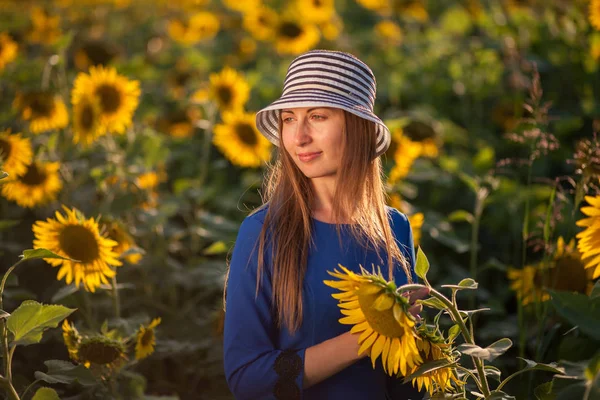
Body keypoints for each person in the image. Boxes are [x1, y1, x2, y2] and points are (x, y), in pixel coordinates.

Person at [222, 49, 428, 400]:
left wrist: (423, 346)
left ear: (358, 127)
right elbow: (247, 378)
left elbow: (404, 382)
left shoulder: (395, 228)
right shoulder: (263, 232)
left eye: (317, 116)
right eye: (289, 119)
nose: (299, 137)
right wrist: (370, 334)